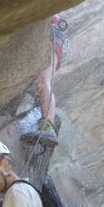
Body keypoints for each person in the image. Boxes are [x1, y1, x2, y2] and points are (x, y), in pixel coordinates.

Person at [32, 15, 68, 143]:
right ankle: (45, 123)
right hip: (53, 32)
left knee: (43, 81)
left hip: (53, 31)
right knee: (38, 84)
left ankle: (47, 126)